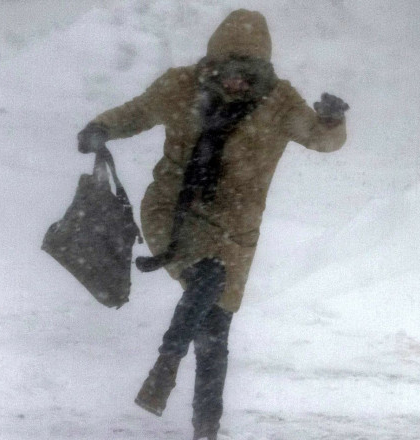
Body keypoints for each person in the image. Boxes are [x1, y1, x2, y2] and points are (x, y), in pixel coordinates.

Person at [77, 9, 348, 440]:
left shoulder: (279, 103)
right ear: (210, 65)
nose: (235, 81)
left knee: (216, 332)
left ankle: (206, 428)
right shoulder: (180, 86)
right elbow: (138, 112)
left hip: (235, 230)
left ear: (262, 73)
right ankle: (165, 366)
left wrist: (332, 121)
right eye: (225, 70)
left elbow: (320, 139)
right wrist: (101, 127)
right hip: (172, 212)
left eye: (247, 74)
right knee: (207, 276)